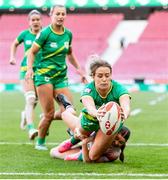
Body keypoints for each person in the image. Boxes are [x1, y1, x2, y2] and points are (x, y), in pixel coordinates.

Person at [26, 5, 86, 150]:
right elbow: (32, 52)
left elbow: (70, 53)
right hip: (44, 76)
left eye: (63, 14)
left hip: (60, 77)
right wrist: (29, 69)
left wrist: (80, 70)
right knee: (49, 113)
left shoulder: (68, 34)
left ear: (65, 16)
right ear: (51, 15)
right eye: (57, 14)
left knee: (70, 111)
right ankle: (40, 142)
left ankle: (67, 131)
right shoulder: (45, 33)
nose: (60, 16)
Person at [55, 54, 131, 161]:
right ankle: (72, 137)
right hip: (91, 118)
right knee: (67, 117)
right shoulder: (88, 89)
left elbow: (126, 104)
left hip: (110, 123)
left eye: (107, 75)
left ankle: (79, 149)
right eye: (100, 76)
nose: (104, 79)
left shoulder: (119, 88)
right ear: (93, 76)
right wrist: (97, 113)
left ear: (111, 75)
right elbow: (89, 106)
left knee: (93, 157)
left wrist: (125, 113)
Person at [9, 10, 42, 140]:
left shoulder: (44, 35)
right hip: (25, 70)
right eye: (33, 20)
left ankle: (24, 114)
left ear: (41, 21)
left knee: (35, 100)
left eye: (37, 19)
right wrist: (12, 57)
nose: (35, 22)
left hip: (40, 71)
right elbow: (14, 44)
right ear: (29, 22)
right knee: (30, 99)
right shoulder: (24, 34)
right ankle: (31, 129)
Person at [50, 126, 131, 163]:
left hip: (84, 153)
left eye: (121, 142)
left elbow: (89, 160)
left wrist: (84, 144)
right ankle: (73, 138)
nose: (116, 143)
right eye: (116, 139)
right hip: (84, 145)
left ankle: (76, 148)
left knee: (53, 152)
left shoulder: (113, 154)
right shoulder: (103, 135)